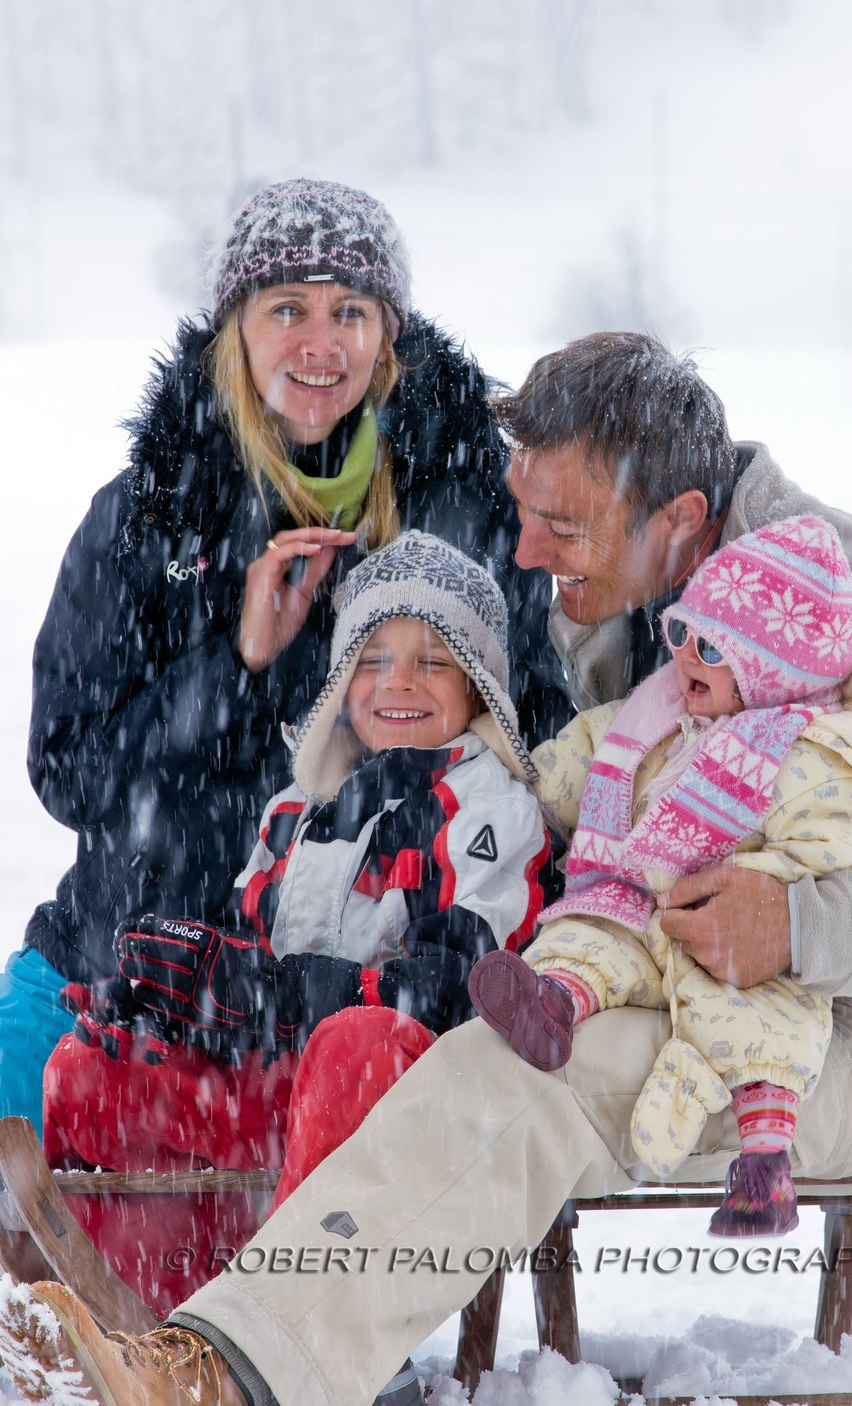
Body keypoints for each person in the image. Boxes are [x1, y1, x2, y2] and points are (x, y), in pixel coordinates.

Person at [2, 333, 852, 1406]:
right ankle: (165, 1313)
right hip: (662, 989)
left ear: (679, 512)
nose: (524, 548)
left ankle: (224, 1380)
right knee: (471, 1040)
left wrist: (799, 925)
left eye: (558, 525)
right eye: (521, 512)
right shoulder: (612, 605)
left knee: (528, 1076)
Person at [0, 178, 566, 1132]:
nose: (320, 342)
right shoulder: (147, 514)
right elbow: (68, 772)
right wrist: (238, 665)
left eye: (350, 310)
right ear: (236, 330)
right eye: (287, 309)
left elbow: (534, 737)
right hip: (120, 960)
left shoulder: (468, 509)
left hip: (340, 996)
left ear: (388, 334)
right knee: (21, 1165)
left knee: (280, 1258)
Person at [40, 531, 554, 1317]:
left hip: (412, 1107)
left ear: (481, 685)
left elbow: (459, 988)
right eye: (373, 659)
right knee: (88, 1069)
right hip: (284, 1096)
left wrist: (277, 995)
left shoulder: (493, 813)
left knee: (358, 1042)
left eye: (434, 660)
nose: (399, 683)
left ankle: (291, 1342)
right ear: (343, 680)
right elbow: (250, 960)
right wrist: (177, 1002)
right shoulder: (295, 811)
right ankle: (160, 1329)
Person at [470, 513, 852, 1237]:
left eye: (710, 646)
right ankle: (552, 1005)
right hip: (640, 900)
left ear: (772, 667)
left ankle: (763, 1161)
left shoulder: (818, 752)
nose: (685, 659)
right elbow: (586, 755)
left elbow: (834, 846)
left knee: (751, 1015)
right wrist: (510, 771)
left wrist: (752, 886)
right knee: (589, 931)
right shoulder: (658, 714)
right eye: (680, 634)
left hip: (733, 930)